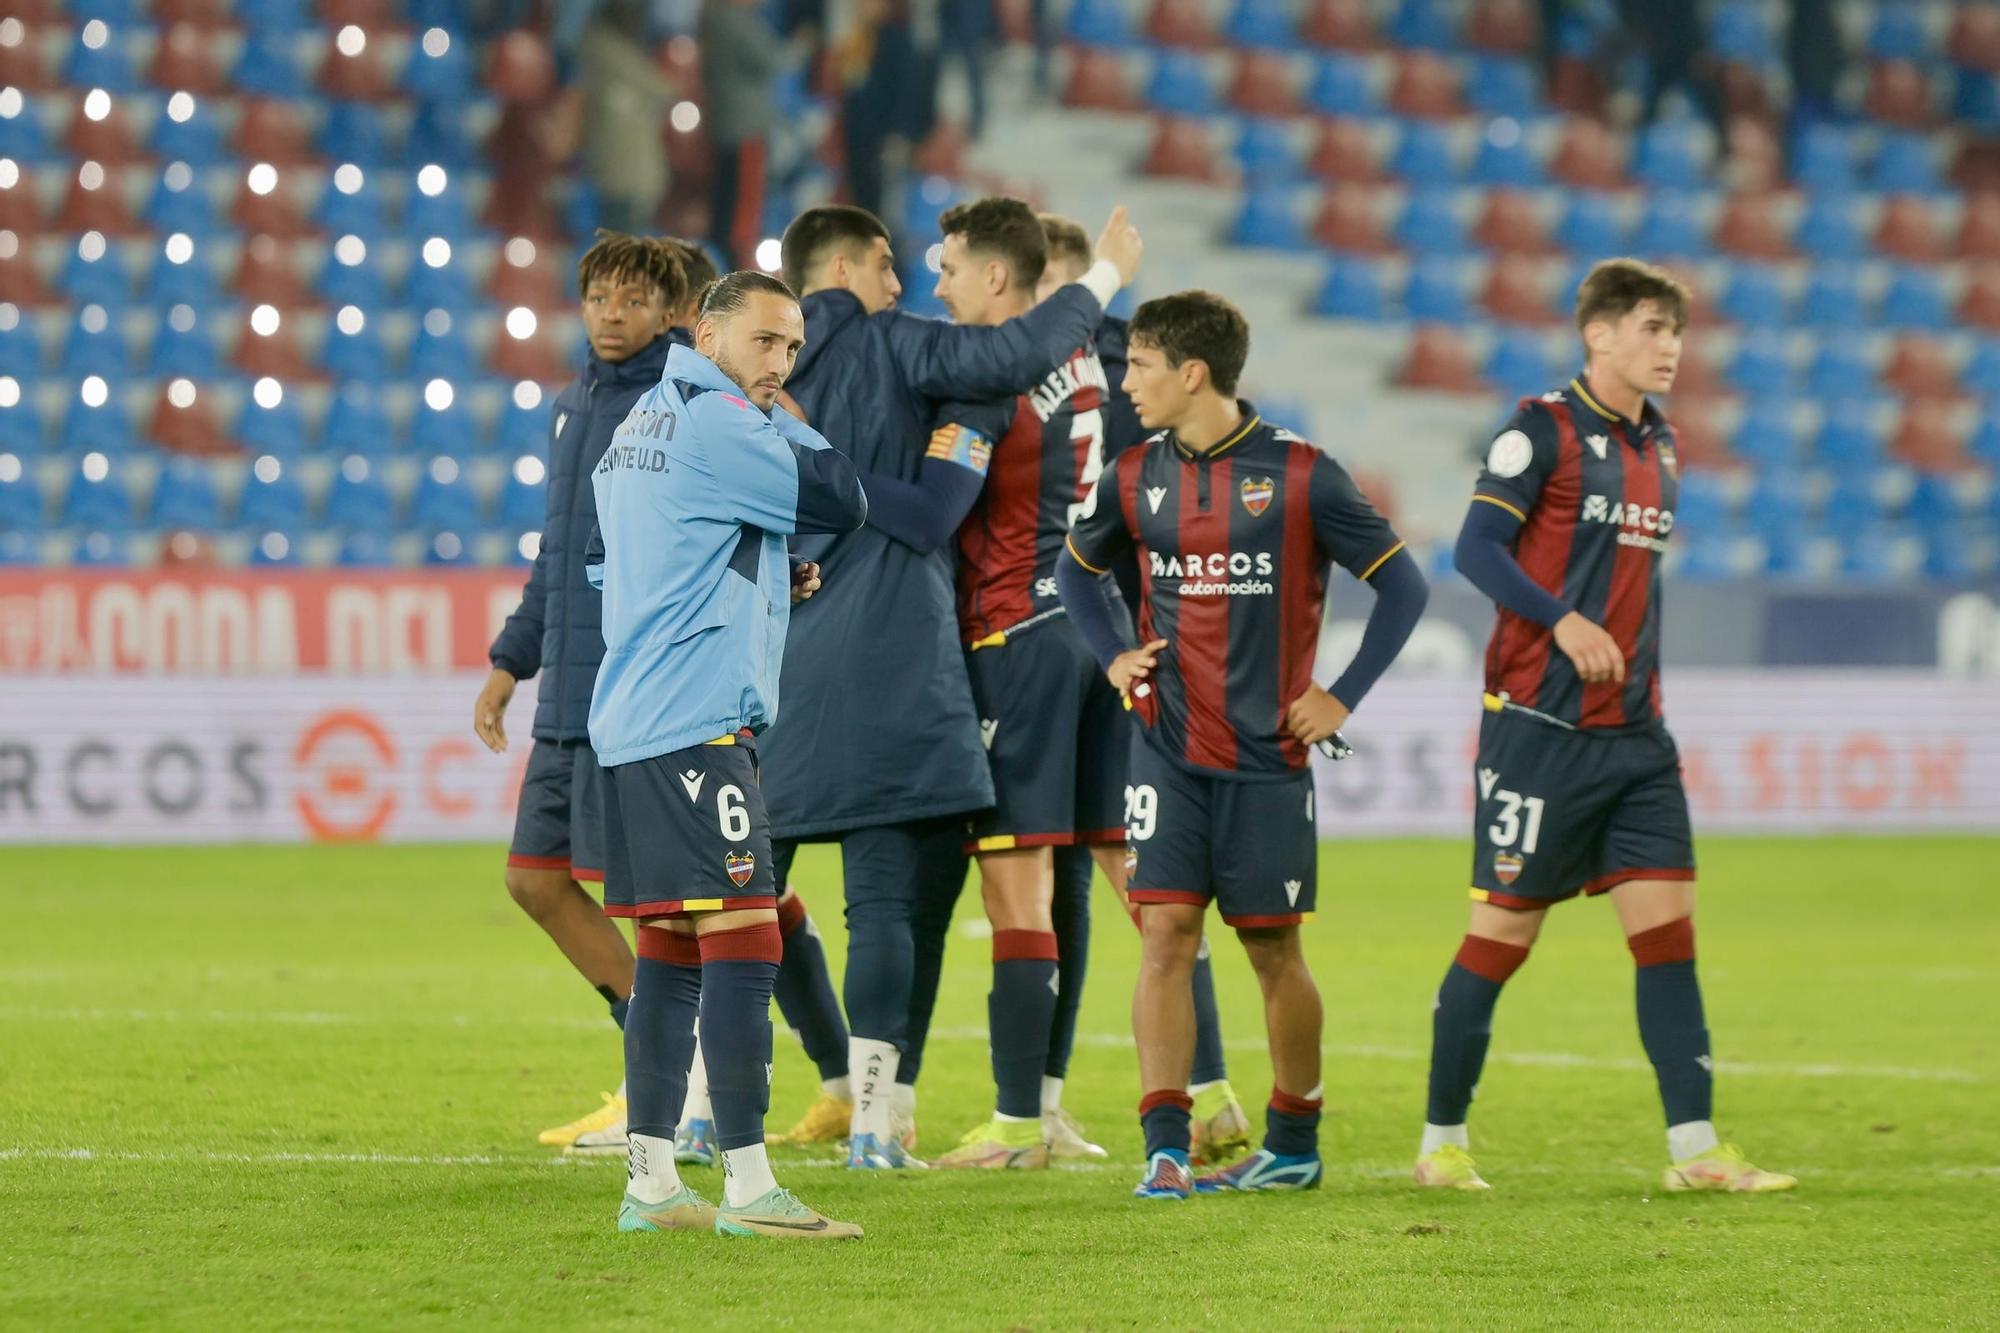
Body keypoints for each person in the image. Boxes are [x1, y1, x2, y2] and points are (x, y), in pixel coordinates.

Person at [758, 202, 1142, 1168]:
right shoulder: (917, 355)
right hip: (927, 656)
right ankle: (900, 1122)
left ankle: (694, 1108)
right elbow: (935, 510)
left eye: (940, 267)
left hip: (769, 656)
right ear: (848, 267)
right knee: (917, 903)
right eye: (895, 264)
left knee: (740, 890)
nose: (916, 282)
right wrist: (1102, 286)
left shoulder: (749, 375)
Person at [1412, 258, 1795, 1196]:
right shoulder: (1537, 429)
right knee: (1500, 941)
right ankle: (1441, 1141)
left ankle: (1696, 1150)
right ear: (1599, 333)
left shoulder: (1661, 444)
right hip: (1538, 728)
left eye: (1677, 332)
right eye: (1654, 328)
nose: (1671, 347)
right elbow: (1473, 549)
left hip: (1636, 737)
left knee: (1668, 936)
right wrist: (1563, 619)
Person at [1056, 290, 1429, 1198]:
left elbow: (1404, 587)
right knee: (1164, 937)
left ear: (1192, 372)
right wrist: (1114, 656)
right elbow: (1076, 569)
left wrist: (1340, 696)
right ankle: (1167, 1149)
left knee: (1272, 950)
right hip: (1165, 748)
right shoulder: (1136, 473)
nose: (1126, 380)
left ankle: (1294, 1140)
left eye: (1140, 364)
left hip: (1267, 759)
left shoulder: (1302, 475)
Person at [590, 270, 869, 1239]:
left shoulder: (636, 429)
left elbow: (639, 557)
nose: (779, 366)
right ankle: (750, 1187)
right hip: (695, 717)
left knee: (670, 947)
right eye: (763, 343)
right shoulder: (719, 424)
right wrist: (787, 417)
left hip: (633, 717)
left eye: (791, 350)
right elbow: (847, 494)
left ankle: (653, 1182)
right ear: (705, 336)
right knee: (749, 932)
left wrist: (757, 563)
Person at [475, 232, 684, 1155]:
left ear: (669, 313)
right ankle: (665, 1072)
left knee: (659, 903)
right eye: (599, 295)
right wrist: (509, 662)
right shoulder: (575, 403)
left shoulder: (679, 404)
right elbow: (556, 555)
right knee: (534, 878)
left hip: (636, 687)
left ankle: (680, 1100)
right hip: (567, 692)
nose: (610, 313)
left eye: (633, 299)